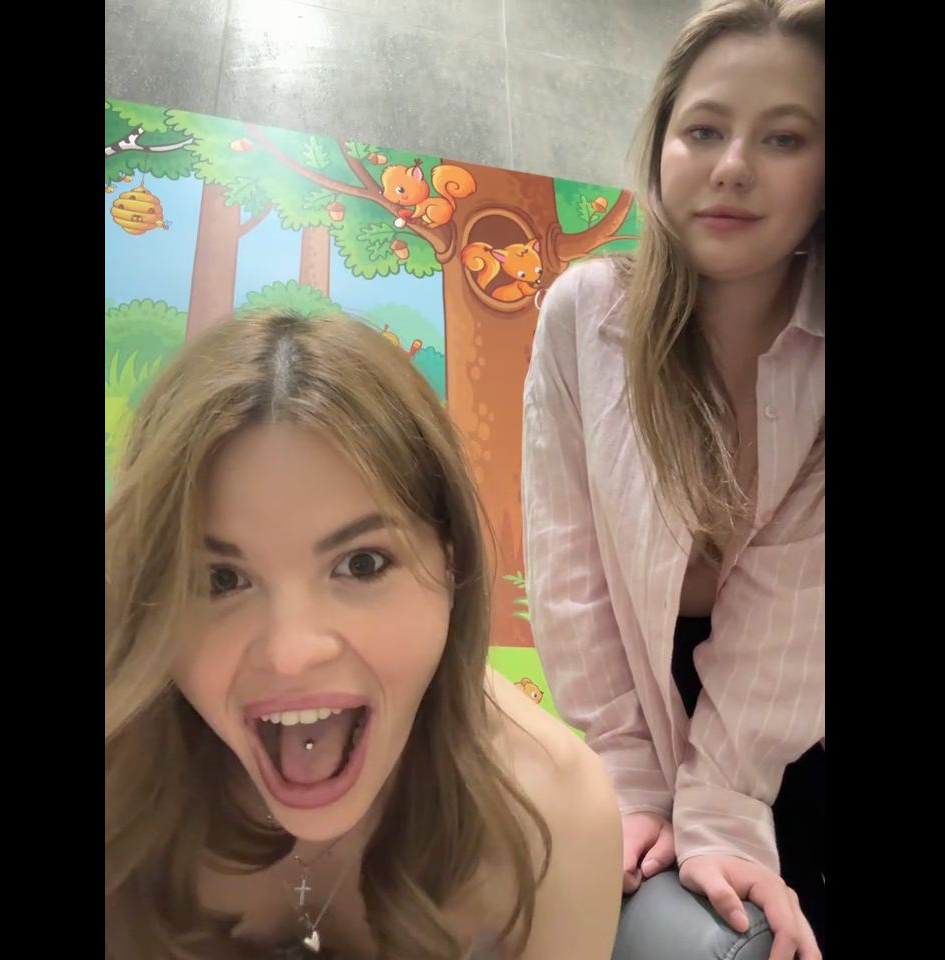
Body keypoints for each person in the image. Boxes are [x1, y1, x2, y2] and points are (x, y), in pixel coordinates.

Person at [105, 309, 622, 960]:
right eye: (220, 580)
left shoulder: (553, 812)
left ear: (451, 567)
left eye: (361, 564)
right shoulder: (120, 767)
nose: (291, 654)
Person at [522, 2, 825, 958]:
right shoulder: (583, 316)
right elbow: (569, 569)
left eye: (784, 138)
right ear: (660, 145)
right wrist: (623, 774)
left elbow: (796, 610)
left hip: (794, 706)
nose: (733, 165)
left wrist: (724, 807)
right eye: (704, 129)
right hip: (627, 693)